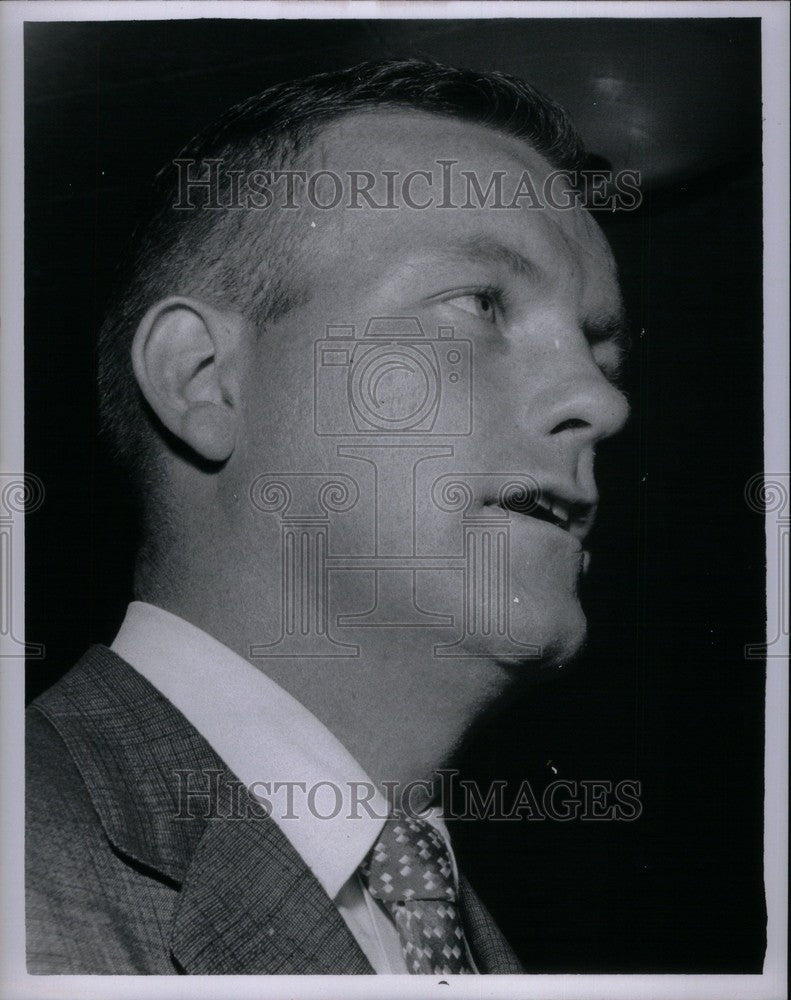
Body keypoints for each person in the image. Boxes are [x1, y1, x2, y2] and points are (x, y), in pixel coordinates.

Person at [25, 59, 629, 975]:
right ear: (203, 378)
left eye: (599, 352)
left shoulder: (466, 935)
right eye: (479, 303)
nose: (598, 400)